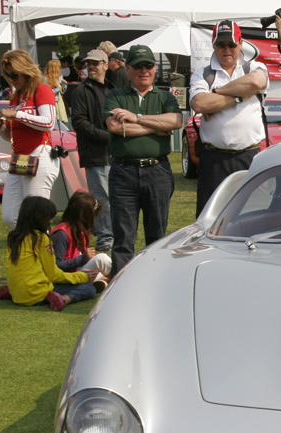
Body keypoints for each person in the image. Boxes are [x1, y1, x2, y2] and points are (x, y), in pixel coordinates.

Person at [102, 44, 182, 276]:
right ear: (128, 69)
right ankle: (119, 292)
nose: (144, 70)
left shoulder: (165, 96)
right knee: (123, 239)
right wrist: (157, 128)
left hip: (157, 171)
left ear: (155, 69)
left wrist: (136, 118)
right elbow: (116, 126)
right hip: (123, 172)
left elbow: (176, 122)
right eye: (138, 66)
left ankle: (153, 286)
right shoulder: (114, 95)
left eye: (148, 65)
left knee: (157, 237)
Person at [190, 20, 268, 216]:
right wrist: (241, 95)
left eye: (231, 44)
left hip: (249, 157)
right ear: (214, 45)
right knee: (209, 217)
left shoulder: (253, 67)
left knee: (251, 216)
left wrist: (216, 92)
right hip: (214, 159)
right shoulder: (202, 73)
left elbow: (257, 81)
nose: (227, 50)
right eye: (221, 45)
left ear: (240, 43)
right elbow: (199, 104)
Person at [0, 49, 60, 229]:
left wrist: (16, 114)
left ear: (26, 69)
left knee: (36, 216)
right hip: (20, 158)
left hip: (40, 154)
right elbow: (11, 136)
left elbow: (48, 123)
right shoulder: (16, 97)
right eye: (8, 75)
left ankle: (46, 252)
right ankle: (31, 249)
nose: (12, 79)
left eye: (15, 74)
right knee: (10, 216)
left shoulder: (42, 89)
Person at [0, 196, 101, 311]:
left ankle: (15, 291)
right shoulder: (41, 239)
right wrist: (82, 277)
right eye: (49, 218)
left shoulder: (14, 237)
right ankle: (63, 299)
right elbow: (53, 274)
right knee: (89, 289)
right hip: (38, 294)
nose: (51, 221)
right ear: (39, 218)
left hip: (18, 294)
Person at [71, 49, 113, 252]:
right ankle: (106, 240)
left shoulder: (112, 90)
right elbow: (79, 122)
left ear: (106, 65)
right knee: (101, 199)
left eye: (96, 63)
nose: (91, 67)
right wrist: (106, 136)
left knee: (114, 197)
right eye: (89, 63)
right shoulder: (81, 91)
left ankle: (113, 237)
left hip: (114, 153)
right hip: (95, 154)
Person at [51, 191, 112, 276]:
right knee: (102, 259)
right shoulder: (61, 234)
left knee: (104, 271)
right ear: (85, 216)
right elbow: (56, 265)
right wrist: (83, 258)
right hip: (65, 278)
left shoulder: (78, 230)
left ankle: (101, 283)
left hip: (76, 274)